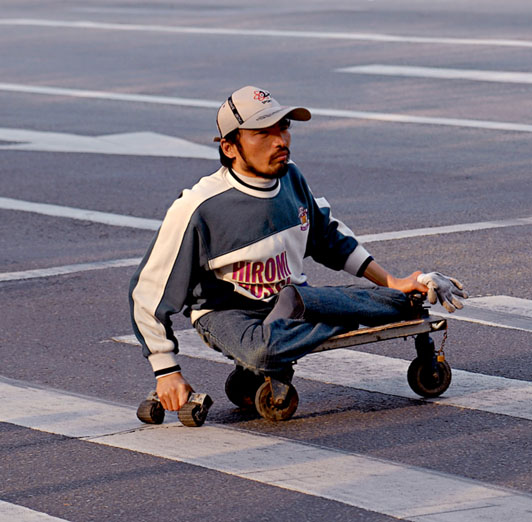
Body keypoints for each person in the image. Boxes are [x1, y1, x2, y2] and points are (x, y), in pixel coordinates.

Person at [129, 85, 467, 412]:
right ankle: (348, 316)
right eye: (263, 133)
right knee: (262, 352)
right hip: (228, 314)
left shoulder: (291, 178)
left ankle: (388, 298)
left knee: (402, 301)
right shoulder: (199, 208)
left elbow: (330, 240)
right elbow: (147, 293)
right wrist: (167, 372)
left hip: (298, 303)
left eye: (284, 128)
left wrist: (392, 281)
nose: (280, 141)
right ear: (230, 147)